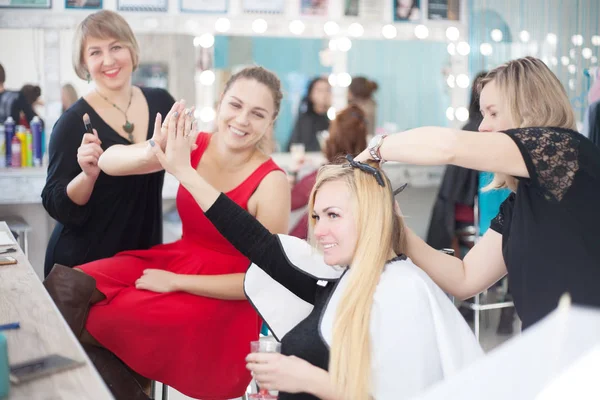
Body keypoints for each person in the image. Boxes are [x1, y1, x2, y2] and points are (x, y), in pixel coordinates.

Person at [149, 116, 483, 399]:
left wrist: (308, 381)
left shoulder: (402, 291)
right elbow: (256, 242)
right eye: (316, 217)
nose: (319, 230)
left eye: (333, 215)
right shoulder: (343, 280)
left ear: (371, 215)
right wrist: (187, 175)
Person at [44, 66, 291, 400]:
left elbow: (266, 281)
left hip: (224, 297)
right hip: (177, 257)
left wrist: (176, 282)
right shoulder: (192, 144)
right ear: (220, 102)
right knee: (71, 284)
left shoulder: (272, 182)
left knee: (105, 320)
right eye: (235, 105)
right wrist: (153, 149)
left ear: (271, 121)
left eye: (257, 113)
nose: (243, 119)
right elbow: (110, 161)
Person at [356, 56, 600, 331]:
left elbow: (448, 146)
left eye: (493, 113)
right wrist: (397, 229)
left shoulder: (565, 152)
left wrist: (373, 152)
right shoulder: (521, 200)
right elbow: (465, 279)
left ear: (530, 111)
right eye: (483, 114)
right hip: (548, 350)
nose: (483, 126)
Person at [41, 10, 175, 278]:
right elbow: (55, 204)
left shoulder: (161, 103)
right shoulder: (72, 123)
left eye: (116, 47)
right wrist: (88, 177)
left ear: (132, 50)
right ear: (83, 62)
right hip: (84, 265)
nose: (109, 60)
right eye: (95, 52)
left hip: (141, 257)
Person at [289, 104, 368, 239]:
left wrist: (292, 174)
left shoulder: (322, 178)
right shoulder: (369, 177)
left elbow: (289, 203)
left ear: (332, 139)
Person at [286, 77, 331, 152]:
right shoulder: (305, 121)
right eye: (320, 91)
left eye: (328, 90)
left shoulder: (331, 121)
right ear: (311, 94)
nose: (324, 95)